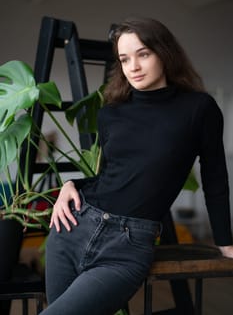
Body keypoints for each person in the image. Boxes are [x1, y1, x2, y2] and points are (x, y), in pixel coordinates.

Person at [40, 17, 233, 315]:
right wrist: (71, 185)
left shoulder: (199, 109)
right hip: (72, 229)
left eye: (143, 54)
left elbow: (215, 177)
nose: (134, 66)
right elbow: (111, 177)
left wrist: (224, 241)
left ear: (164, 52)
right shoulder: (111, 112)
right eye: (124, 59)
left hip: (127, 248)